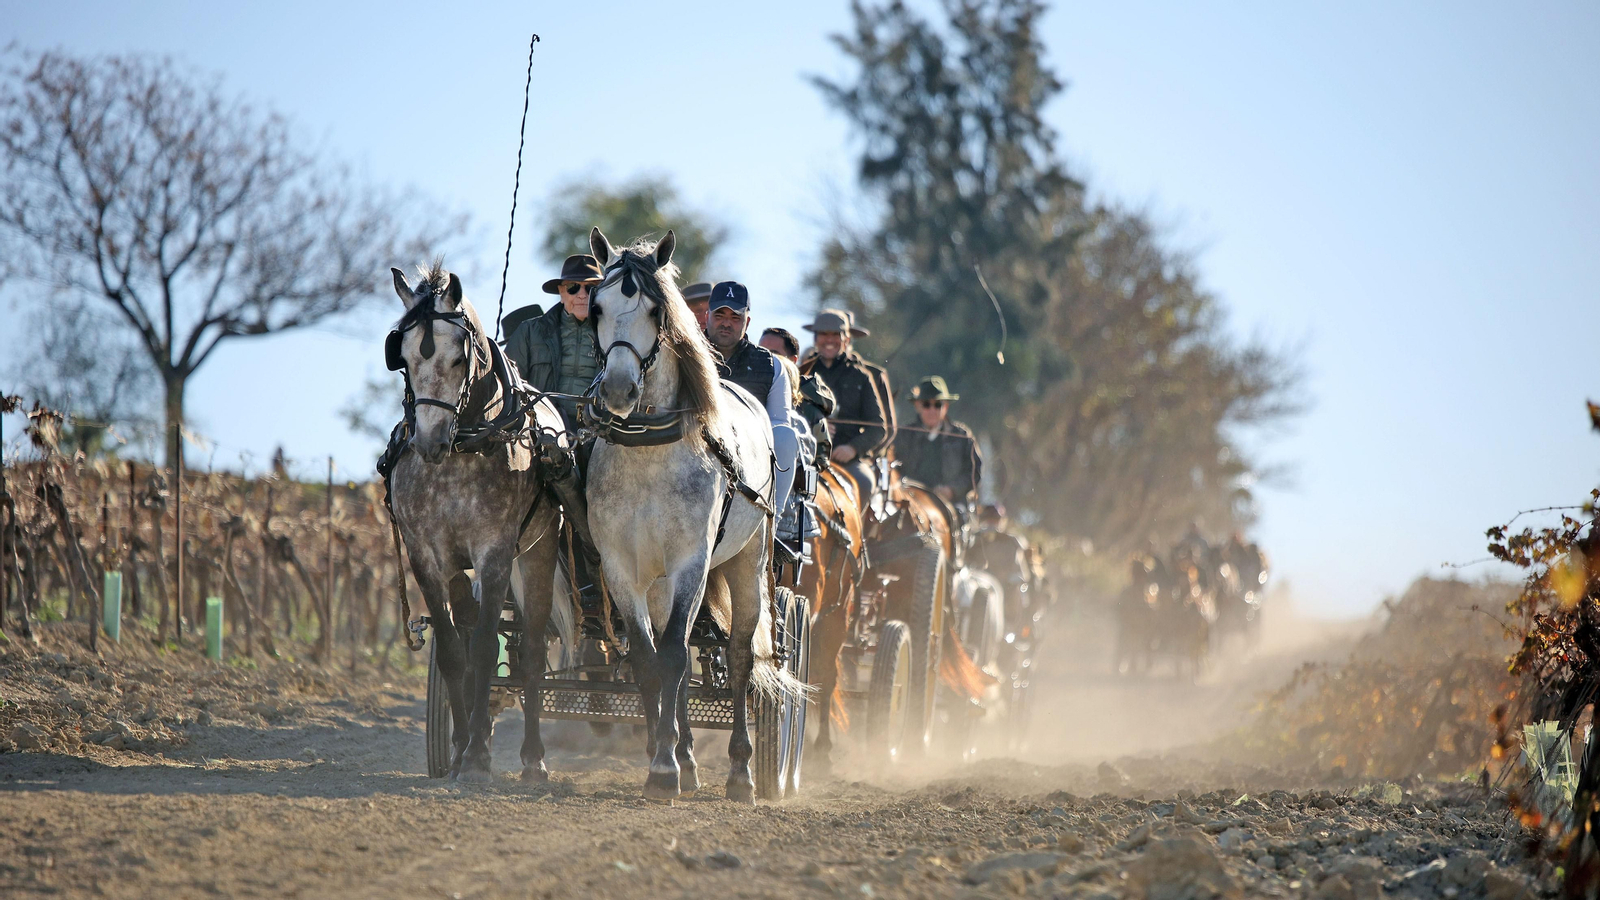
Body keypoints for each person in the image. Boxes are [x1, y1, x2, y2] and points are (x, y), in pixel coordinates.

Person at [704, 281, 803, 527]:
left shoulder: (772, 366)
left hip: (748, 458)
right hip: (691, 448)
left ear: (747, 322)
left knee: (785, 435)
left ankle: (771, 522)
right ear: (707, 317)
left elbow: (778, 422)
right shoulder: (681, 354)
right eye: (720, 315)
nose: (726, 322)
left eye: (735, 317)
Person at [505, 253, 605, 428]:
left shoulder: (616, 336)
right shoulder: (529, 332)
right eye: (573, 287)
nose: (582, 295)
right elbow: (506, 386)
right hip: (541, 432)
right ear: (561, 291)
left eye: (590, 288)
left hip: (598, 434)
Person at [799, 308, 889, 499]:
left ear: (846, 339)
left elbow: (879, 427)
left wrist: (853, 448)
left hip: (848, 460)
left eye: (835, 335)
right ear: (815, 339)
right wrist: (815, 428)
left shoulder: (861, 377)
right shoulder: (802, 373)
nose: (829, 340)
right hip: (806, 454)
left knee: (865, 483)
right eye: (823, 334)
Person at [892, 375, 980, 505]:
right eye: (927, 404)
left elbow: (974, 472)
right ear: (917, 406)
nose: (932, 410)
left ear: (945, 407)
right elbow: (892, 467)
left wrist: (952, 490)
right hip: (910, 502)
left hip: (952, 504)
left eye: (937, 405)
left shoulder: (962, 436)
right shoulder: (903, 435)